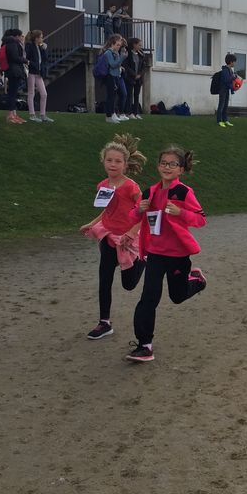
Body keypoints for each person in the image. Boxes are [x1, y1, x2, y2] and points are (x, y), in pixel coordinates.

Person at [126, 145, 208, 363]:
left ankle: (197, 281)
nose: (167, 167)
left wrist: (181, 213)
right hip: (155, 254)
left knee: (177, 296)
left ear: (181, 169)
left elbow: (201, 219)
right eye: (164, 163)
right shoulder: (149, 193)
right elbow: (132, 217)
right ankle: (144, 345)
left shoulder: (184, 192)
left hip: (178, 255)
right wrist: (139, 210)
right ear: (158, 166)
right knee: (148, 298)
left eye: (173, 164)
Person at [79, 134, 147, 340]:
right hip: (108, 236)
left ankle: (143, 259)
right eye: (109, 160)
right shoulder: (102, 185)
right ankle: (104, 322)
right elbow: (106, 210)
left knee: (129, 284)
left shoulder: (131, 187)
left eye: (118, 161)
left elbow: (144, 211)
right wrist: (92, 223)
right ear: (103, 161)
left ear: (125, 164)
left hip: (127, 238)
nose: (113, 164)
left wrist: (132, 232)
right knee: (104, 279)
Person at [25, 30, 52, 123]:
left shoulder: (39, 47)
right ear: (36, 38)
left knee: (44, 94)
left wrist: (44, 49)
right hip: (32, 72)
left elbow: (45, 59)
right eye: (41, 37)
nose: (42, 39)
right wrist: (33, 65)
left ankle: (43, 115)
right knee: (31, 93)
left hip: (39, 73)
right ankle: (32, 115)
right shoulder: (30, 46)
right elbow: (27, 58)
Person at [3, 28, 28, 124]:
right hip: (14, 71)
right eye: (21, 36)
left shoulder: (9, 43)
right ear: (16, 36)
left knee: (13, 93)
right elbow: (15, 57)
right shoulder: (12, 44)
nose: (22, 38)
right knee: (12, 93)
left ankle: (14, 114)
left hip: (13, 70)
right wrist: (25, 60)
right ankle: (11, 115)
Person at [122, 37, 145, 120]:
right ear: (134, 45)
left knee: (136, 95)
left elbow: (143, 66)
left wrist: (140, 75)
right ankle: (129, 112)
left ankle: (136, 112)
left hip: (139, 78)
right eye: (139, 45)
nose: (140, 46)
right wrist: (134, 74)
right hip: (130, 78)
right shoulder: (128, 54)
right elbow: (126, 66)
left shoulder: (141, 54)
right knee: (129, 95)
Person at [216, 53, 237, 128]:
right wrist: (233, 77)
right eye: (234, 62)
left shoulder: (230, 70)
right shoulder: (225, 70)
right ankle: (219, 121)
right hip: (222, 90)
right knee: (221, 106)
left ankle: (225, 120)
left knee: (225, 106)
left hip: (227, 90)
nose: (235, 63)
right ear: (231, 62)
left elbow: (230, 81)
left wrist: (234, 77)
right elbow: (226, 80)